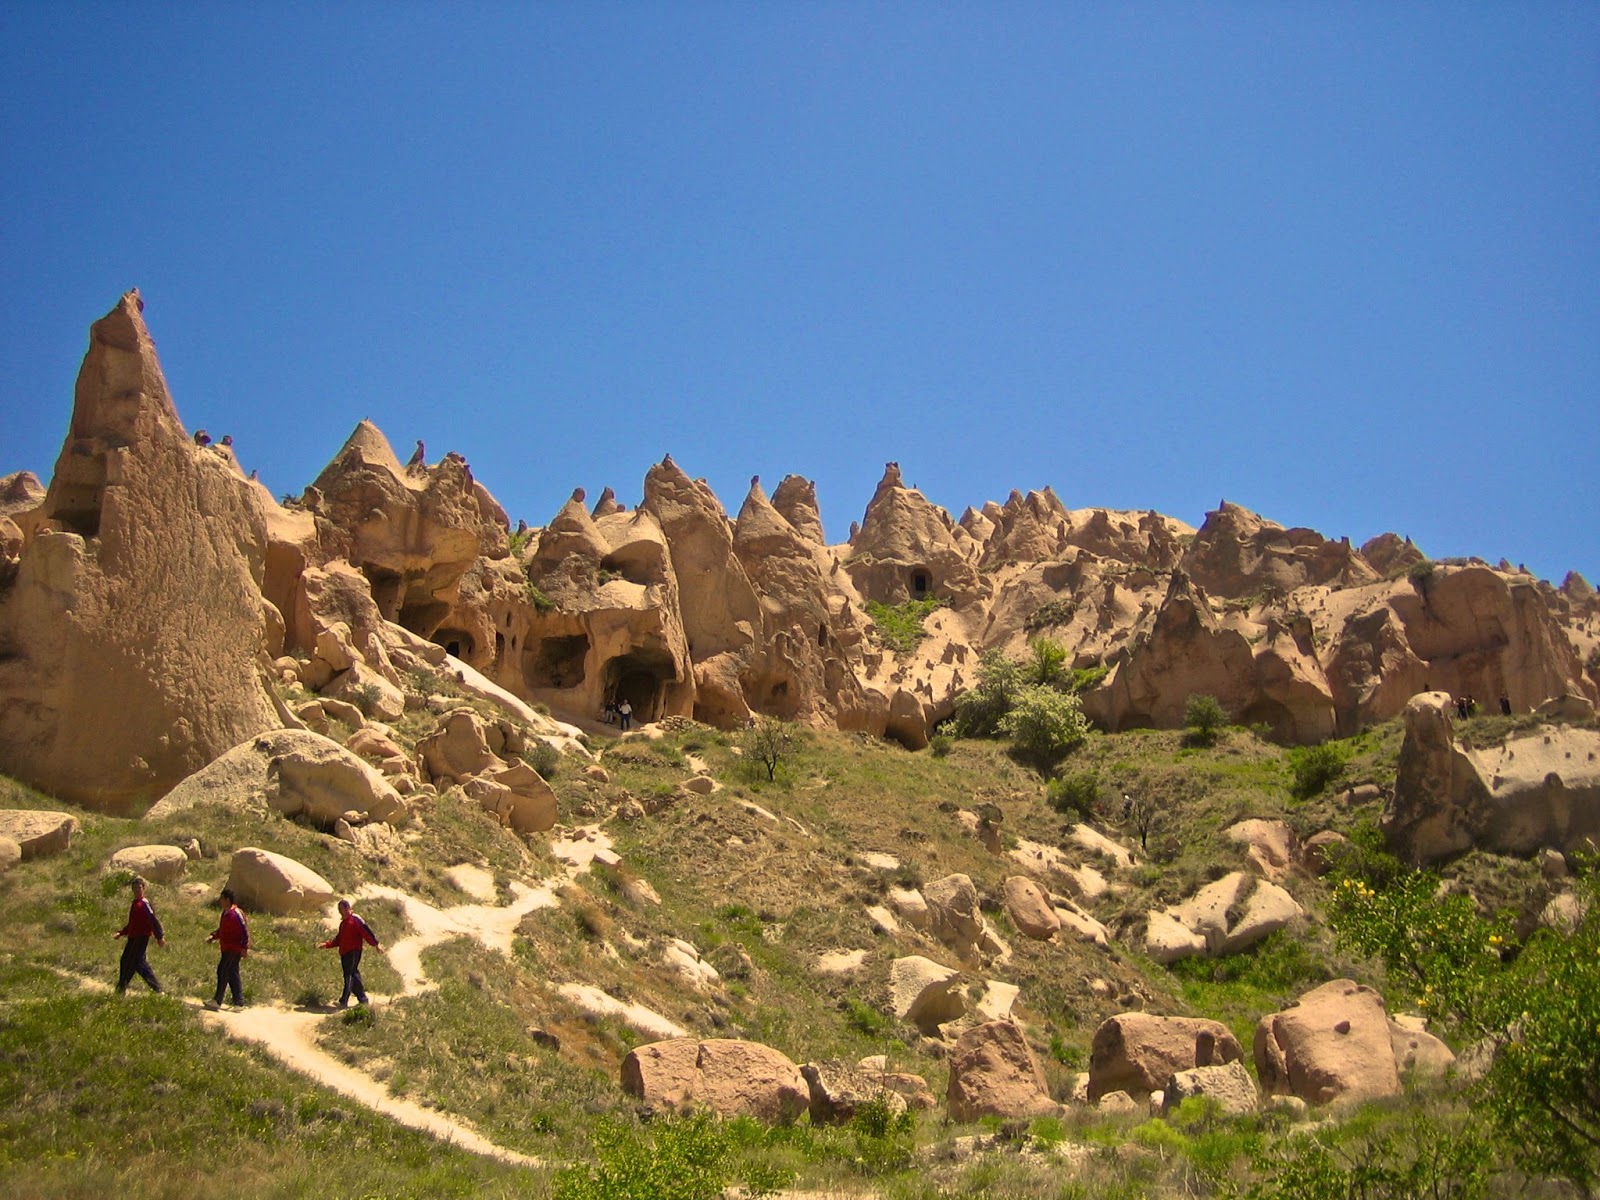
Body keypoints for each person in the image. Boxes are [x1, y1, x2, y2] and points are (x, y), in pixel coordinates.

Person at [319, 899, 380, 1008]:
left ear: (348, 908)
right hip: (344, 953)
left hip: (354, 952)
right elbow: (339, 939)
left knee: (349, 975)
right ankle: (362, 999)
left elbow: (366, 932)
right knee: (353, 974)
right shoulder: (343, 924)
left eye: (342, 909)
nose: (341, 912)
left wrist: (375, 944)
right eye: (339, 910)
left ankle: (344, 1001)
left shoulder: (355, 920)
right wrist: (327, 945)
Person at [113, 876, 164, 994]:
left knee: (138, 963)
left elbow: (153, 920)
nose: (137, 890)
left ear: (143, 889)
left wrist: (159, 937)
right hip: (133, 937)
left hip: (141, 937)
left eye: (139, 888)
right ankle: (122, 987)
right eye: (135, 888)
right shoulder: (135, 903)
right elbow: (132, 924)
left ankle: (157, 989)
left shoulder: (144, 904)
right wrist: (121, 933)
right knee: (126, 961)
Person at [206, 888, 249, 1009]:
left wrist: (244, 947)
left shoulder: (236, 913)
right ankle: (239, 1003)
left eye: (222, 899)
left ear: (227, 900)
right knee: (232, 972)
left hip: (233, 948)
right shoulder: (225, 913)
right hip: (226, 948)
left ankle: (217, 1000)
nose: (220, 901)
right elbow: (223, 930)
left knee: (222, 970)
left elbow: (244, 931)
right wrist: (213, 937)